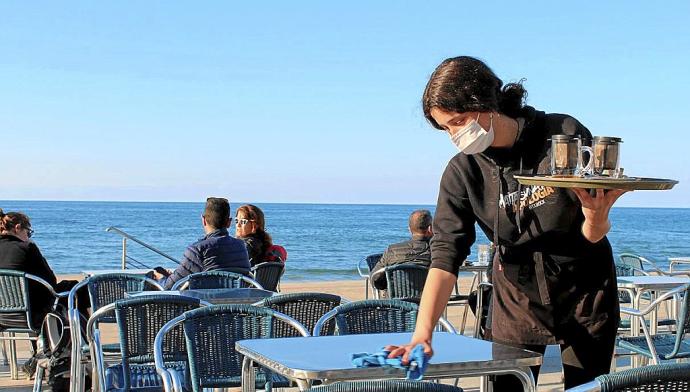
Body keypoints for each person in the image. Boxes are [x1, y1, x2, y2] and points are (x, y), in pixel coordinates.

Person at [386, 56, 626, 389]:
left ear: (486, 103)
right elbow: (445, 255)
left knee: (587, 388)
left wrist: (597, 220)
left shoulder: (562, 136)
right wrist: (423, 334)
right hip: (516, 299)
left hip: (585, 291)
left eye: (460, 121)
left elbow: (592, 232)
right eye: (446, 128)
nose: (455, 135)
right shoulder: (463, 172)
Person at [0, 209, 84, 378]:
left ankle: (40, 353)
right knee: (75, 289)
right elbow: (50, 281)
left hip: (2, 316)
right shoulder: (27, 248)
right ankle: (81, 348)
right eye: (28, 232)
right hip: (31, 316)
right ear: (17, 228)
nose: (29, 236)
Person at [155, 197, 251, 289]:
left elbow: (169, 287)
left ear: (203, 220)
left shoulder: (197, 250)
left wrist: (160, 278)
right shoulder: (241, 246)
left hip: (204, 304)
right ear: (229, 222)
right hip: (237, 303)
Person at [370, 209, 433, 290]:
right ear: (430, 229)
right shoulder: (437, 250)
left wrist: (387, 285)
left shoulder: (392, 250)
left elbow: (374, 278)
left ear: (409, 229)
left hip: (397, 300)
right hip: (430, 299)